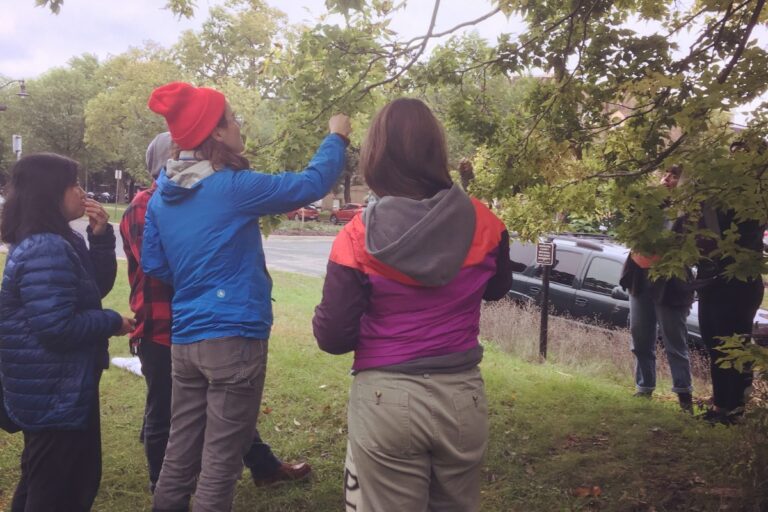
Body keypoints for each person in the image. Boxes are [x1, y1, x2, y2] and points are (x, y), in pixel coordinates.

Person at [142, 82, 350, 512]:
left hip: (186, 340)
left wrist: (198, 272)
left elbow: (156, 265)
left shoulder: (163, 196)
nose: (240, 126)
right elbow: (310, 183)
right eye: (233, 120)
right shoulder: (233, 187)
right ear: (216, 134)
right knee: (220, 461)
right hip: (234, 336)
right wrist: (337, 136)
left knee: (180, 453)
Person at [313, 98, 512, 512]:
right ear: (435, 151)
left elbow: (333, 337)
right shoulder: (486, 222)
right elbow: (496, 289)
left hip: (386, 396)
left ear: (376, 155)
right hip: (462, 397)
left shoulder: (357, 235)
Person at [120, 132, 312, 494]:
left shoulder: (178, 198)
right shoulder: (148, 205)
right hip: (164, 327)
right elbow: (161, 265)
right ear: (168, 162)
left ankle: (262, 466)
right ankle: (159, 483)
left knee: (223, 410)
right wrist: (214, 277)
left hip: (190, 324)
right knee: (167, 418)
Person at [0, 153, 134, 512]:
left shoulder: (59, 240)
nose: (81, 191)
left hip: (56, 387)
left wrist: (101, 238)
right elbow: (57, 328)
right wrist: (111, 322)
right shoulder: (45, 247)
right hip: (53, 391)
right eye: (73, 184)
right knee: (61, 490)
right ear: (50, 193)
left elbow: (94, 288)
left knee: (43, 479)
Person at [696, 142, 766, 425]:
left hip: (737, 283)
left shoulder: (754, 200)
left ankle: (733, 409)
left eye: (742, 156)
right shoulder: (723, 193)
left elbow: (728, 233)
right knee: (715, 345)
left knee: (732, 347)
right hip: (714, 280)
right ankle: (722, 406)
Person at [620, 164, 695, 412]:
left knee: (675, 340)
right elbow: (631, 231)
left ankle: (684, 395)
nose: (667, 179)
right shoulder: (649, 206)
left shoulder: (689, 212)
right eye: (665, 174)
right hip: (640, 278)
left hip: (671, 282)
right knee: (640, 335)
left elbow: (688, 249)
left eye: (674, 176)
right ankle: (644, 388)